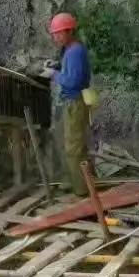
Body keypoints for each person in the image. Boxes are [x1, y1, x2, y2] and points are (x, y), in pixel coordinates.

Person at [41, 12, 92, 196]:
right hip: (70, 102)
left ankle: (82, 190)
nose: (55, 37)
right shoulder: (69, 51)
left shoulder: (75, 51)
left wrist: (53, 75)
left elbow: (73, 81)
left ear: (69, 31)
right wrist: (57, 66)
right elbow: (70, 71)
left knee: (74, 147)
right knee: (69, 143)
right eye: (54, 34)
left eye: (58, 33)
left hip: (75, 102)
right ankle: (73, 181)